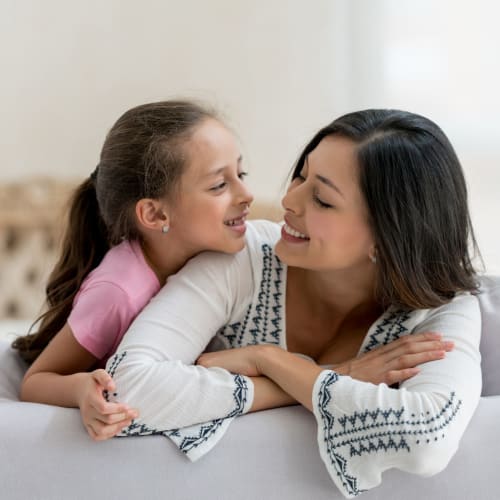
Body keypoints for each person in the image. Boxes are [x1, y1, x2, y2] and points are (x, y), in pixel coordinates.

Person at [105, 108, 480, 496]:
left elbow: (427, 440)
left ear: (387, 236)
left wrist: (268, 360)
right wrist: (338, 374)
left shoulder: (444, 307)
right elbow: (126, 388)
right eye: (301, 175)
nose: (288, 200)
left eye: (321, 199)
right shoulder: (244, 257)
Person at [12, 100, 254, 440]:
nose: (247, 194)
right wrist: (82, 388)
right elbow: (37, 382)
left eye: (241, 174)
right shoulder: (118, 292)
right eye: (219, 185)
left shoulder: (216, 259)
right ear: (155, 215)